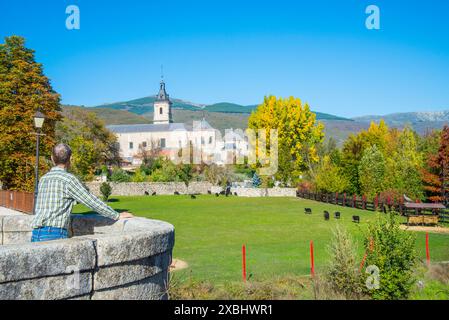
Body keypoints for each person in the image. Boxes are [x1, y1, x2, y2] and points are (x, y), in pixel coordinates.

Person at [31, 143, 134, 242]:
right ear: (70, 159)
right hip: (53, 234)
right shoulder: (68, 180)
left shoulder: (44, 179)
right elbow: (91, 201)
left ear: (52, 158)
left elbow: (54, 202)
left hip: (36, 233)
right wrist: (116, 215)